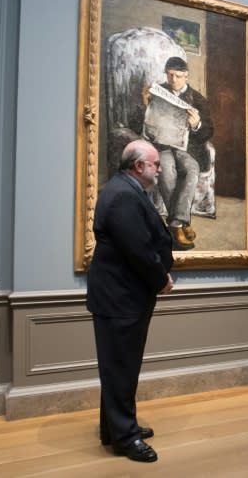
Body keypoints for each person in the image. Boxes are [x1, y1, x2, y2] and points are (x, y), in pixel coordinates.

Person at [87, 140, 174, 462]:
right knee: (121, 367)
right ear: (139, 166)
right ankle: (125, 438)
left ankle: (115, 428)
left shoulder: (124, 189)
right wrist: (161, 278)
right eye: (155, 164)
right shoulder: (123, 194)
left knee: (118, 367)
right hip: (120, 298)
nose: (160, 168)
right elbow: (137, 249)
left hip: (121, 296)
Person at [141, 56, 215, 250]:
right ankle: (180, 224)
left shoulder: (198, 99)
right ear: (166, 74)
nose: (174, 80)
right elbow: (137, 122)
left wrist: (196, 125)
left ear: (186, 76)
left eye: (179, 76)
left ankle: (175, 223)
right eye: (170, 75)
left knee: (191, 170)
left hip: (187, 148)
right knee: (166, 171)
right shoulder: (157, 92)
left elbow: (209, 131)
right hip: (162, 146)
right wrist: (145, 105)